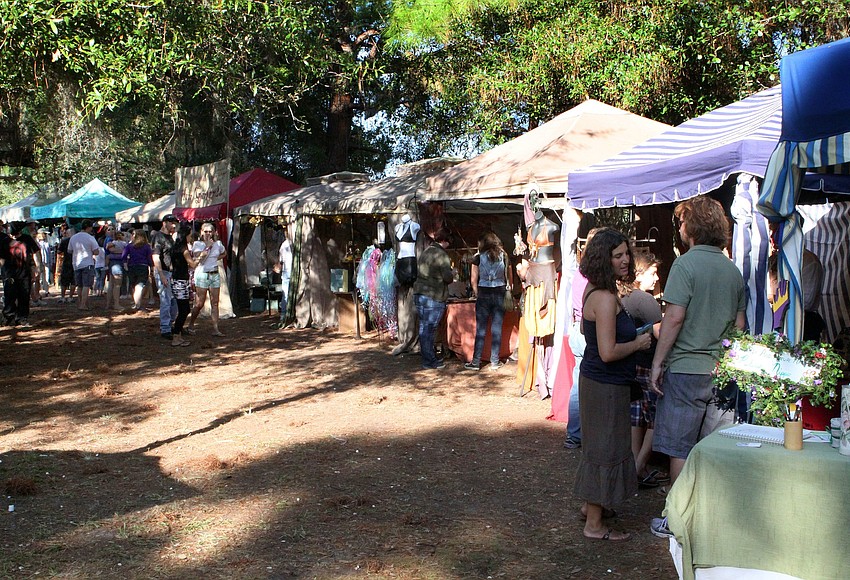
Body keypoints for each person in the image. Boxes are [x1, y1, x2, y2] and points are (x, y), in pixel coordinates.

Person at [649, 196, 745, 539]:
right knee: (713, 448)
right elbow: (740, 327)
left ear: (691, 226)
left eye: (680, 222)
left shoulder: (685, 266)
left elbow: (673, 318)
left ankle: (677, 519)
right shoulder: (732, 270)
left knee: (680, 448)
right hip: (721, 373)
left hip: (687, 369)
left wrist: (657, 363)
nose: (678, 227)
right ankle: (709, 518)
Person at [573, 227, 651, 542]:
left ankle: (591, 508)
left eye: (625, 253)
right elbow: (608, 352)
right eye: (616, 255)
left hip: (603, 384)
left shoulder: (598, 289)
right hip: (603, 384)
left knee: (603, 447)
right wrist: (640, 342)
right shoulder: (604, 298)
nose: (624, 259)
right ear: (603, 258)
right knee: (605, 450)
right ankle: (594, 525)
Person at [621, 252, 665, 487]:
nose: (656, 278)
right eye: (652, 272)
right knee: (656, 417)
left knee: (636, 417)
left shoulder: (624, 297)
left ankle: (635, 466)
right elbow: (661, 332)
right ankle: (638, 467)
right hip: (648, 364)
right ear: (638, 274)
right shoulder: (645, 301)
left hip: (630, 363)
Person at [464, 232, 511, 372]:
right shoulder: (505, 256)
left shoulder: (478, 258)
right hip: (500, 291)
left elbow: (473, 279)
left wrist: (477, 293)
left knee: (481, 329)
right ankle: (495, 361)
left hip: (484, 292)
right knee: (497, 328)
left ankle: (476, 361)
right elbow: (509, 276)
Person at [412, 228, 453, 370]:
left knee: (424, 328)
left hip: (419, 293)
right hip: (433, 295)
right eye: (448, 242)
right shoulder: (441, 255)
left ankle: (427, 358)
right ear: (444, 241)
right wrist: (452, 273)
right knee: (429, 329)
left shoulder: (426, 252)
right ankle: (430, 361)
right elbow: (448, 277)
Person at [187, 222, 227, 337]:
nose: (208, 234)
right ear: (201, 232)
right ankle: (191, 324)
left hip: (214, 273)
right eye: (206, 231)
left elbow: (224, 253)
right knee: (200, 302)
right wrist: (208, 246)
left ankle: (215, 328)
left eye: (210, 231)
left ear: (214, 232)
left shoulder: (218, 244)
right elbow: (201, 258)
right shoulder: (197, 244)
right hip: (202, 274)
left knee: (215, 302)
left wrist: (216, 258)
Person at [1, 222, 42, 327]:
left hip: (24, 272)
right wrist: (4, 269)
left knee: (24, 295)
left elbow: (36, 252)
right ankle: (8, 316)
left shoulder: (27, 239)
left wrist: (36, 267)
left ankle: (22, 318)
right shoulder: (4, 240)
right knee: (9, 295)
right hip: (9, 273)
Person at [170, 225, 204, 347]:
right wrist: (201, 256)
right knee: (184, 309)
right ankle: (176, 335)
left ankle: (177, 334)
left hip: (177, 279)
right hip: (180, 281)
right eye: (190, 235)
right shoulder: (184, 250)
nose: (190, 237)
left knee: (184, 308)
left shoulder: (175, 248)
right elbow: (192, 264)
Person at [150, 215, 179, 340]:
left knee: (174, 302)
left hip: (172, 272)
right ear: (164, 223)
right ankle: (165, 328)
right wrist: (161, 274)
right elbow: (156, 257)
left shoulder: (170, 238)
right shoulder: (158, 237)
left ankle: (170, 323)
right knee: (166, 301)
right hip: (163, 272)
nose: (173, 225)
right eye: (171, 223)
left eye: (174, 223)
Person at [68, 219, 100, 311]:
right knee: (86, 285)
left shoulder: (73, 237)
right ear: (89, 227)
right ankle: (83, 304)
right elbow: (96, 251)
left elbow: (69, 250)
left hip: (76, 263)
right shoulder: (90, 237)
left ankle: (81, 302)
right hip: (87, 262)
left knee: (80, 285)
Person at [121, 229, 154, 311]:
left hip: (132, 267)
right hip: (143, 267)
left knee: (134, 286)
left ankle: (136, 303)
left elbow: (123, 256)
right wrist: (152, 267)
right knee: (139, 286)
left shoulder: (129, 246)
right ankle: (138, 305)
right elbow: (149, 258)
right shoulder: (146, 246)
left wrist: (125, 264)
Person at [105, 229, 127, 310]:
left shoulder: (111, 243)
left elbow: (108, 250)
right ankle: (116, 304)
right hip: (118, 264)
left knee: (111, 284)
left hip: (111, 264)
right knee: (117, 285)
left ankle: (108, 304)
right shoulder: (124, 244)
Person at [277, 229, 293, 325]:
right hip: (288, 271)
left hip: (286, 271)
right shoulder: (289, 244)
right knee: (286, 294)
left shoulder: (283, 245)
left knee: (286, 294)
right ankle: (285, 314)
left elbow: (281, 260)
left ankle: (284, 314)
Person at [56, 227, 76, 304]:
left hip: (66, 262)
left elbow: (59, 251)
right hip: (75, 262)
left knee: (64, 281)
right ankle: (71, 297)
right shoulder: (77, 241)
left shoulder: (64, 241)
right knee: (73, 281)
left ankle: (63, 297)